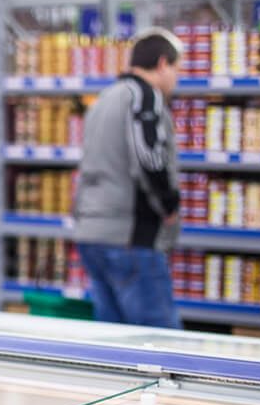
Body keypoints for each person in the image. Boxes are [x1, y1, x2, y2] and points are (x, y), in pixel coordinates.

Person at [73, 28, 184, 328]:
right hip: (129, 237)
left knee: (114, 342)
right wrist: (169, 203)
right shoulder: (144, 96)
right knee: (162, 344)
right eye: (176, 69)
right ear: (162, 63)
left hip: (92, 232)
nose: (176, 78)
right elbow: (148, 156)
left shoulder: (104, 98)